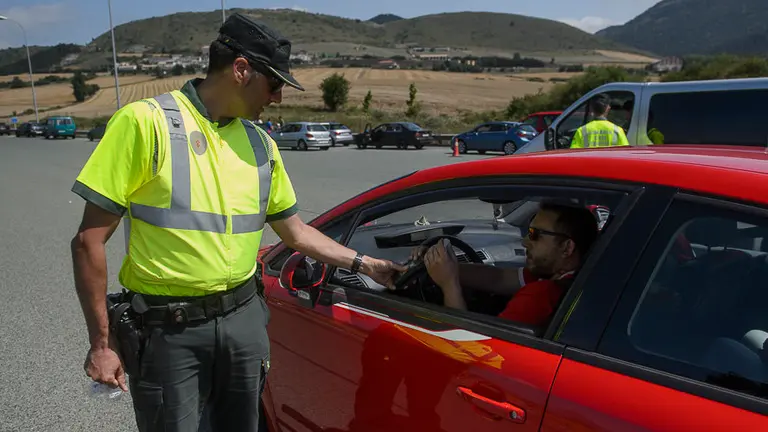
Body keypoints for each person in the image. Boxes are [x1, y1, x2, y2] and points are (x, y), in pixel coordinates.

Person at [70, 12, 405, 432]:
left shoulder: (260, 143)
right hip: (170, 331)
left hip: (242, 321)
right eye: (275, 83)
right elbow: (88, 242)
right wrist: (101, 344)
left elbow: (296, 232)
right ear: (241, 70)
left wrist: (367, 264)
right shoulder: (145, 123)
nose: (279, 97)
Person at [413, 202, 599, 327]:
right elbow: (498, 277)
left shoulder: (541, 295)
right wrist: (443, 266)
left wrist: (449, 285)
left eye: (535, 234)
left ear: (567, 248)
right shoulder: (572, 277)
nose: (525, 241)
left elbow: (474, 347)